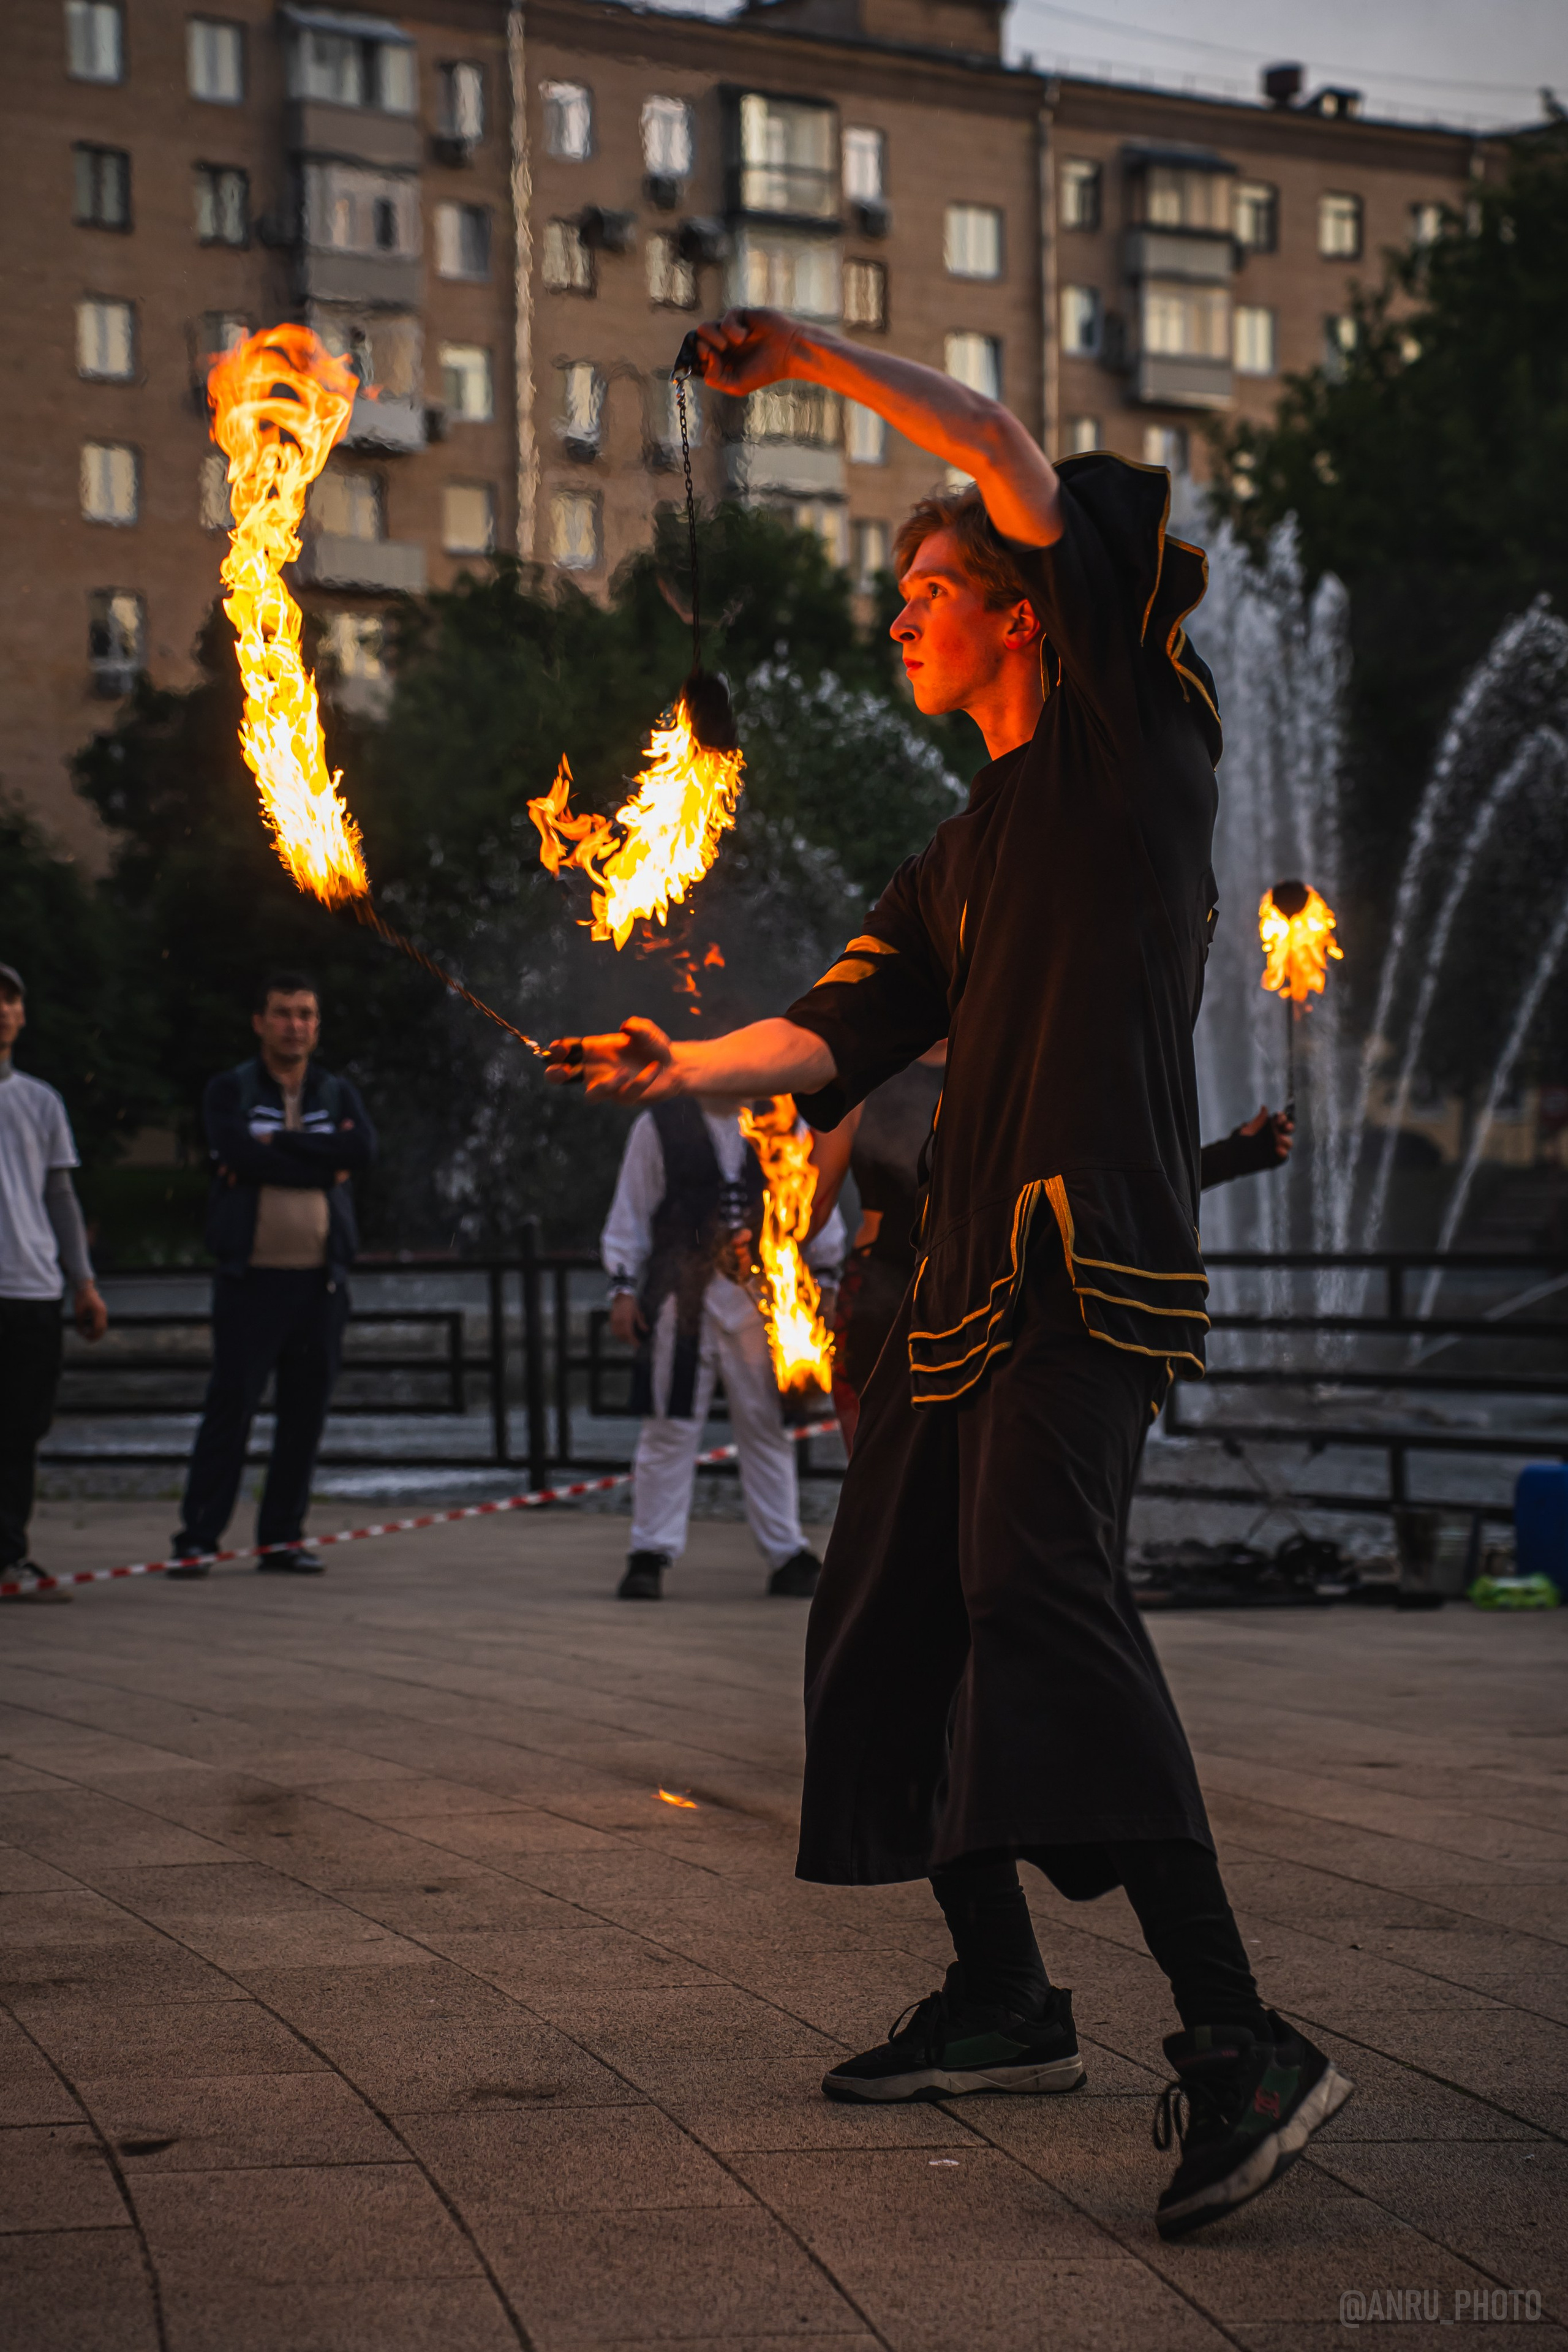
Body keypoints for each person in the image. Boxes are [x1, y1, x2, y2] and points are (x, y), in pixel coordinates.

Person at [549, 307, 1352, 2239]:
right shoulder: (954, 847)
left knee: (1033, 1585)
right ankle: (1002, 1990)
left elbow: (995, 432)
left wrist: (807, 355)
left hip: (1091, 1265)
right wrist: (679, 1060)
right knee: (887, 1611)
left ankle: (1240, 2034)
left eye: (924, 585)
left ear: (1022, 605)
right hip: (954, 1274)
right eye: (898, 589)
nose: (896, 615)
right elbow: (826, 1031)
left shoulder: (1118, 725)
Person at [815, 1077, 1294, 1453]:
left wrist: (1234, 1156)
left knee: (967, 1491)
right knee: (878, 1483)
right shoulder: (869, 1080)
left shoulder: (1010, 1069)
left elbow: (1112, 1184)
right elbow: (805, 1206)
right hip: (882, 1304)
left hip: (980, 1310)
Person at [170, 973, 375, 1578]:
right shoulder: (229, 1089)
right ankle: (198, 1539)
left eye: (306, 1015)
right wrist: (318, 1161)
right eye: (284, 1014)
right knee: (230, 1410)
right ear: (259, 1022)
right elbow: (238, 1153)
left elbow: (361, 1153)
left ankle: (281, 1537)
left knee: (304, 1414)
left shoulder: (335, 1092)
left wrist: (279, 1144)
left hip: (321, 1283)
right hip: (250, 1280)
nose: (296, 1025)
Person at [603, 1093, 845, 1599]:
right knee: (669, 1426)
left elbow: (815, 1203)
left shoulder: (781, 1121)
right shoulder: (661, 1125)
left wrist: (825, 1277)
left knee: (768, 1427)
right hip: (681, 1297)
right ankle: (650, 1552)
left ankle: (786, 1552)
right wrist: (622, 1286)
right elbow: (632, 1205)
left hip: (763, 1301)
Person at [0, 963, 108, 1602]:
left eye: (11, 999)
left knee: (21, 1429)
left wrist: (84, 1283)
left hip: (32, 1289)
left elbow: (60, 1197)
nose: (2, 1010)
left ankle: (8, 1557)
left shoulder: (40, 1101)